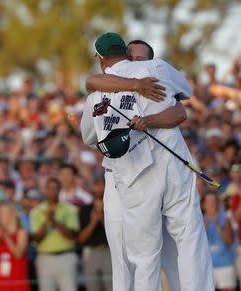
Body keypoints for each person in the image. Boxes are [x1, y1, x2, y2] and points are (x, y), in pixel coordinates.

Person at [80, 32, 213, 290]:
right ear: (125, 53)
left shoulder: (95, 94)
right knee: (190, 239)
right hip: (173, 165)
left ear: (101, 59)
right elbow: (184, 91)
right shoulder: (156, 68)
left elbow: (88, 136)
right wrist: (140, 86)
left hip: (134, 174)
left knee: (144, 256)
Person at [30, 177, 79, 291]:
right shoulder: (36, 212)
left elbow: (72, 235)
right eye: (50, 188)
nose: (52, 191)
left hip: (66, 257)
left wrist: (54, 222)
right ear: (45, 190)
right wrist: (47, 221)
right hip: (45, 258)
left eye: (55, 188)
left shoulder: (70, 210)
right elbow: (36, 238)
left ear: (59, 190)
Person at [0, 203, 29, 291]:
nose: (0, 216)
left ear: (12, 214)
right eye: (0, 213)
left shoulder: (21, 232)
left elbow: (18, 254)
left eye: (3, 213)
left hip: (16, 279)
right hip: (2, 279)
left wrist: (6, 237)